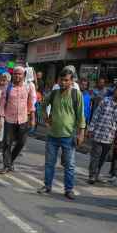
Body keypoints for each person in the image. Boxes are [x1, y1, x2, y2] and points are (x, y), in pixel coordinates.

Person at [40, 69, 86, 200]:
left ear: (72, 81)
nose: (63, 82)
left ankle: (69, 189)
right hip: (52, 135)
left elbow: (81, 115)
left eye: (66, 80)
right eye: (61, 80)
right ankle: (47, 186)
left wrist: (81, 133)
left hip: (69, 136)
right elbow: (42, 106)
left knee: (69, 165)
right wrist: (46, 117)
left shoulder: (76, 94)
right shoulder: (54, 93)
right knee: (49, 163)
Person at [0, 66, 37, 174]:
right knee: (7, 143)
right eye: (15, 74)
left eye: (20, 74)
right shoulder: (7, 87)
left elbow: (32, 103)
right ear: (12, 75)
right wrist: (0, 118)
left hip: (23, 119)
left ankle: (10, 161)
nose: (17, 76)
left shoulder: (29, 86)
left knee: (21, 142)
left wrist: (32, 118)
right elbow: (2, 104)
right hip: (9, 119)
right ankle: (6, 165)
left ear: (24, 75)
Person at [86, 82, 117, 184]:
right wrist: (91, 129)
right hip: (98, 133)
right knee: (96, 155)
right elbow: (96, 115)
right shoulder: (105, 101)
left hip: (110, 137)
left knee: (103, 157)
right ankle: (92, 175)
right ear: (114, 91)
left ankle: (97, 173)